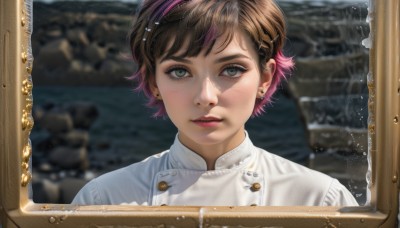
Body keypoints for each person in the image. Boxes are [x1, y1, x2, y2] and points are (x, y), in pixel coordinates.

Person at [72, 0, 358, 206]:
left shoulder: (319, 199)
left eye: (231, 69)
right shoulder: (102, 199)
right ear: (153, 81)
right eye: (180, 71)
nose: (205, 97)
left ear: (266, 77)